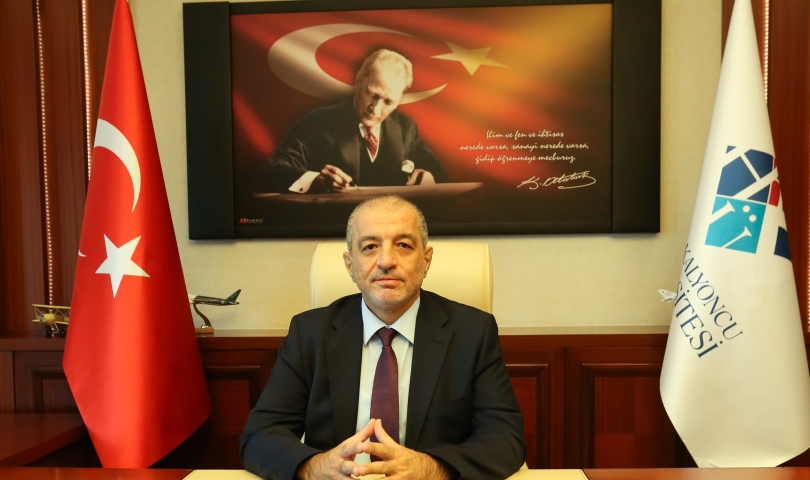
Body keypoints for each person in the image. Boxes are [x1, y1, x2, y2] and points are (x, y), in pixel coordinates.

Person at [240, 194, 525, 480]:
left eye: (403, 245)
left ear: (426, 261)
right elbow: (260, 435)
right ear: (350, 266)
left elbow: (505, 438)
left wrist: (430, 469)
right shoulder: (309, 334)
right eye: (370, 247)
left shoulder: (472, 333)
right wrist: (316, 467)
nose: (386, 261)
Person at [257, 49, 448, 194]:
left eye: (388, 102)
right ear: (358, 82)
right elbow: (271, 170)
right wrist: (316, 180)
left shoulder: (406, 127)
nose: (376, 109)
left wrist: (429, 179)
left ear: (398, 100)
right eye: (372, 94)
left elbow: (442, 176)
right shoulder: (318, 122)